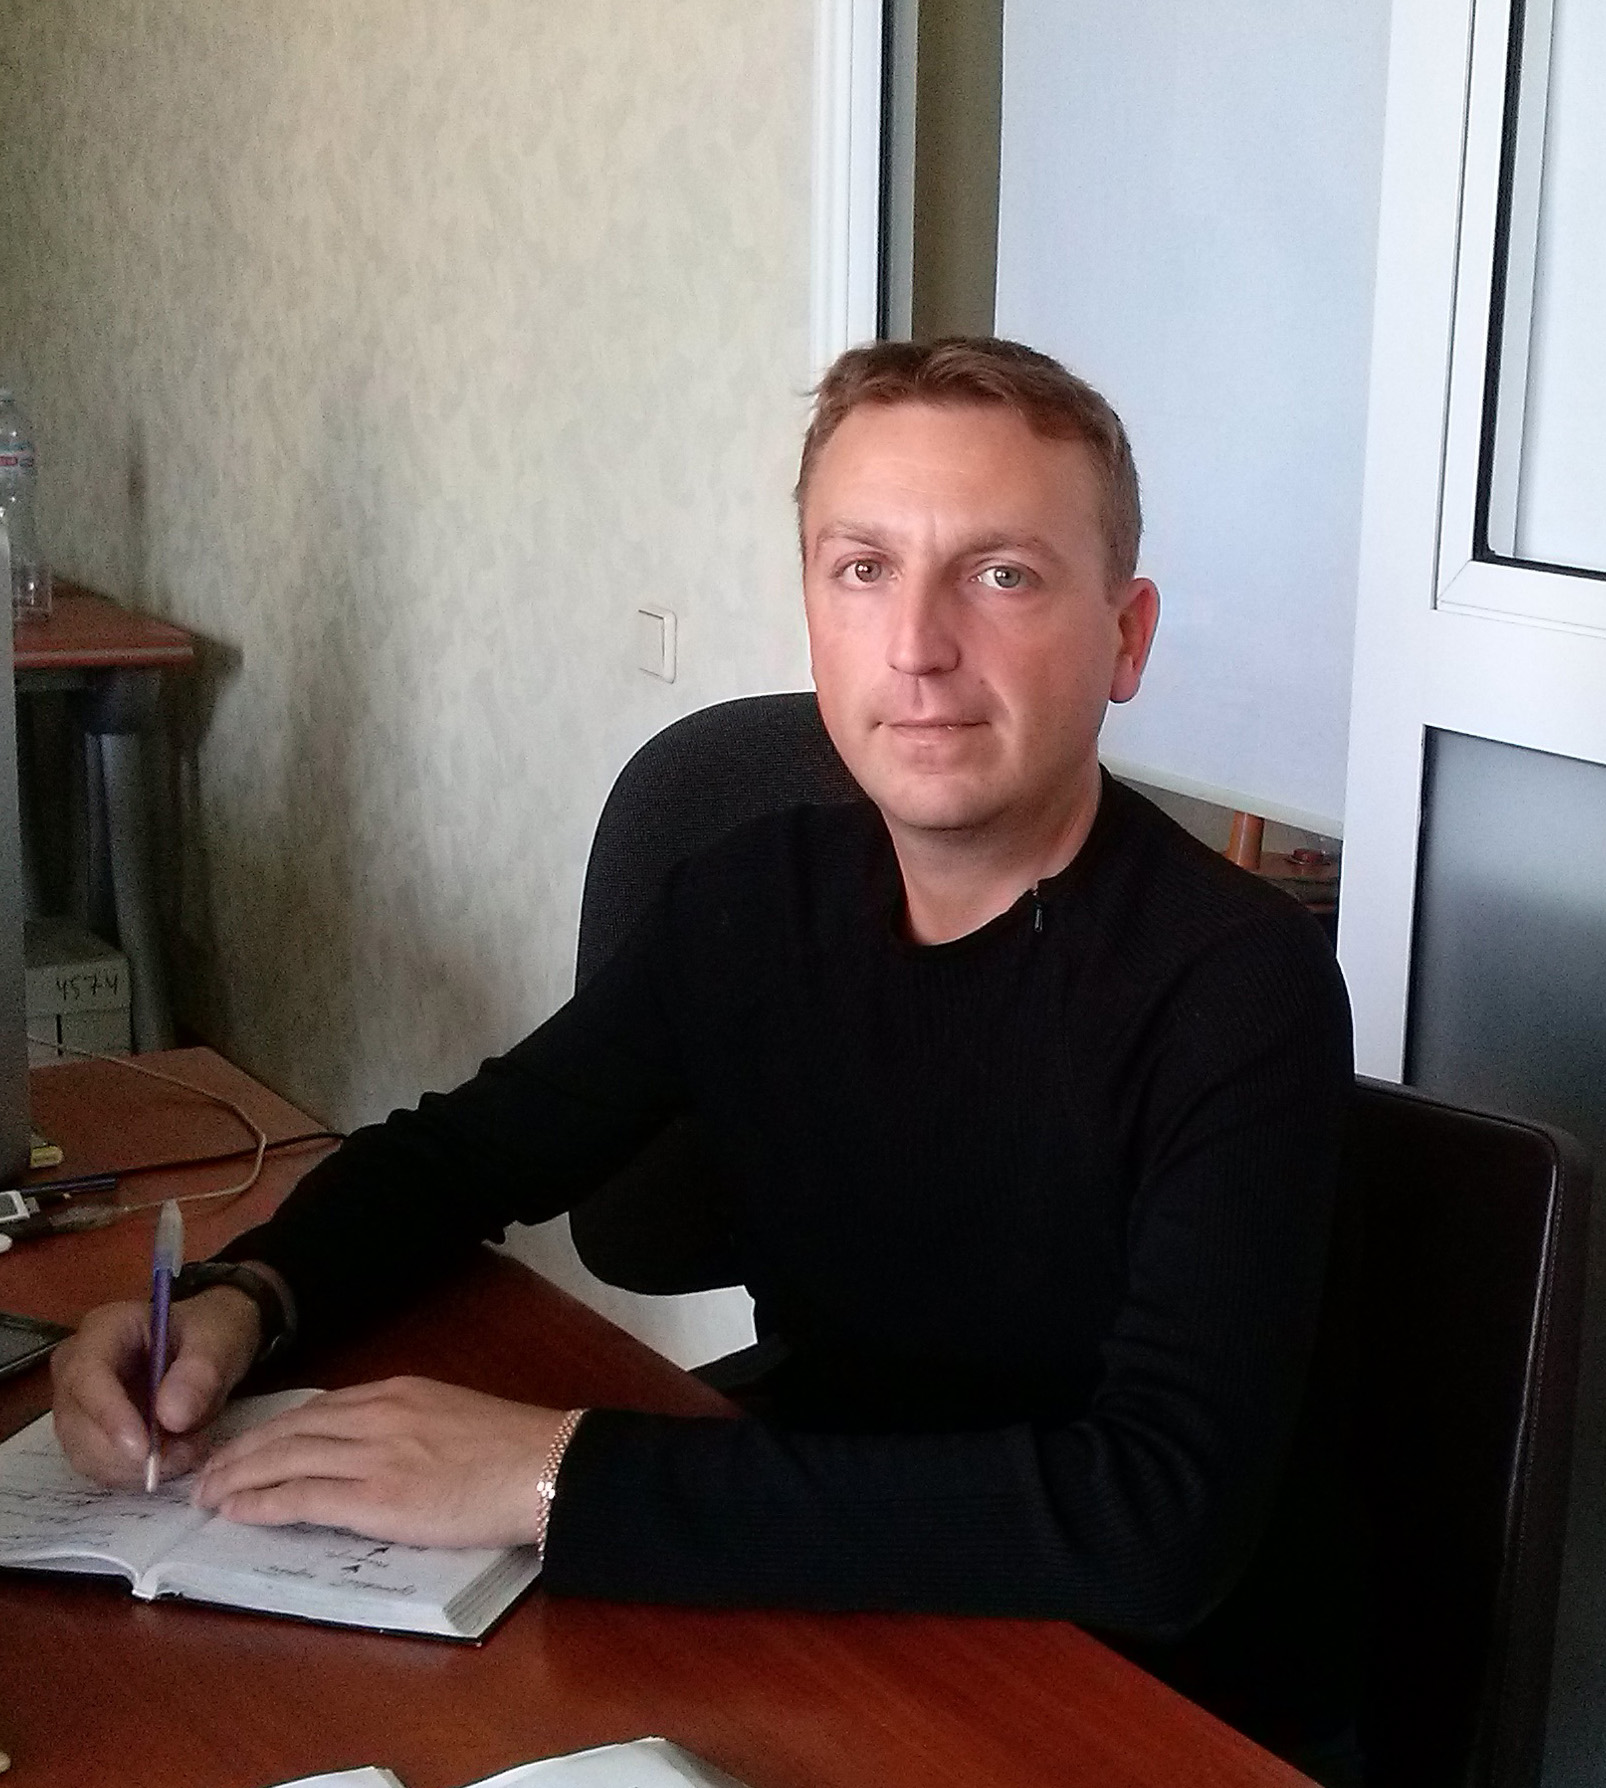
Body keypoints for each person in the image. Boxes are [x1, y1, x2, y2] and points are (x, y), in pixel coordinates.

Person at [51, 338, 1355, 1766]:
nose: (918, 646)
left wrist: (553, 1474)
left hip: (1101, 1679)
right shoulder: (751, 901)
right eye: (863, 568)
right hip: (806, 1592)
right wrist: (245, 1301)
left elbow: (1152, 1521)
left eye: (1001, 574)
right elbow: (461, 1155)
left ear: (1126, 637)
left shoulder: (1237, 982)